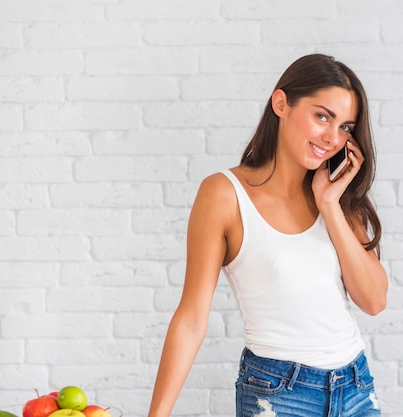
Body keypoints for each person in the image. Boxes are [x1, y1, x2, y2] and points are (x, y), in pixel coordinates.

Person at [147, 53, 389, 417]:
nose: (332, 137)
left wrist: (329, 205)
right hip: (279, 396)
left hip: (355, 387)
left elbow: (373, 301)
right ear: (282, 104)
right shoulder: (224, 194)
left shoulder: (337, 197)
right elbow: (192, 318)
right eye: (322, 116)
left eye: (345, 127)